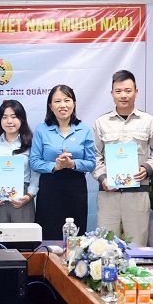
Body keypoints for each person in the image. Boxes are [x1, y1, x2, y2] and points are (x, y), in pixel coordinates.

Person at [92, 70, 153, 246]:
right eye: (118, 91)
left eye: (128, 90)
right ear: (112, 93)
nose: (123, 95)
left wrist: (147, 168)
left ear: (136, 92)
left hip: (137, 194)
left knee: (137, 245)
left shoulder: (148, 121)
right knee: (105, 247)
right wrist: (102, 178)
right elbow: (94, 155)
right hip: (109, 194)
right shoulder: (101, 123)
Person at [29, 84, 95, 239]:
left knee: (76, 238)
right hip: (50, 188)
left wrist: (73, 164)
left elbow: (91, 162)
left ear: (74, 103)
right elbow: (34, 161)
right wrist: (55, 166)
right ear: (50, 106)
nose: (63, 105)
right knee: (48, 236)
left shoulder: (84, 129)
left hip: (75, 188)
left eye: (67, 100)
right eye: (57, 101)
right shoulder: (42, 129)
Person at [0, 100, 37, 223]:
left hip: (23, 197)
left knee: (23, 239)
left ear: (22, 119)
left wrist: (29, 195)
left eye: (14, 117)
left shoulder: (31, 143)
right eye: (4, 117)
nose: (9, 121)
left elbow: (35, 173)